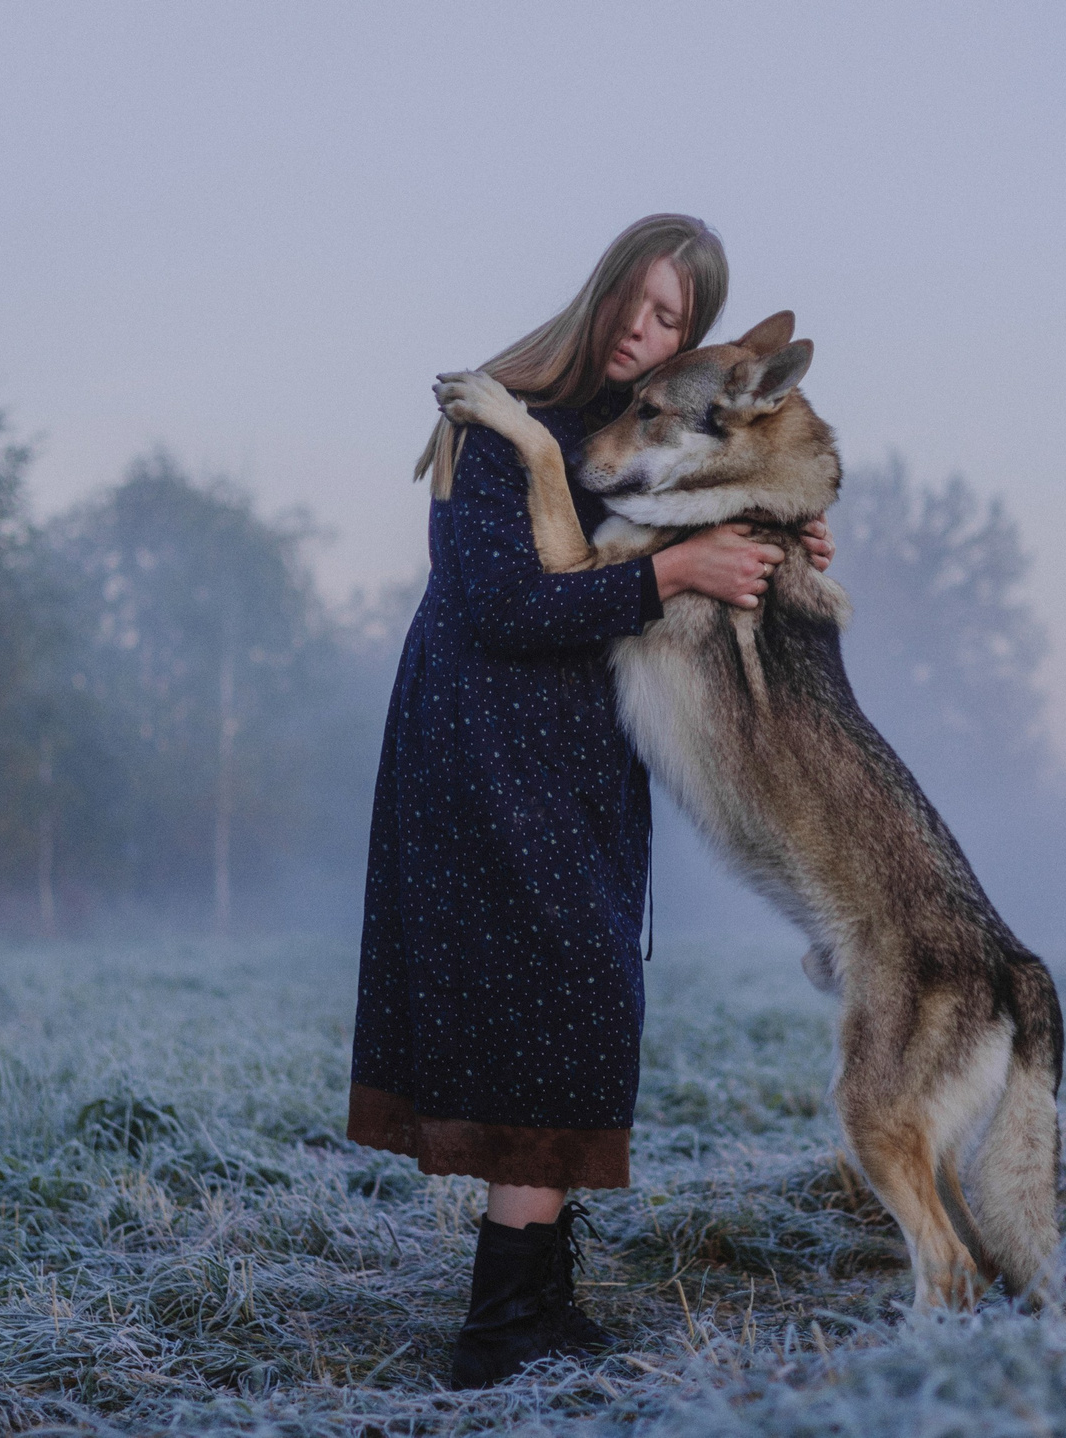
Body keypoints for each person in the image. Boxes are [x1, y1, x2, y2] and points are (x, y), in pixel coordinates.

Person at [346, 214, 831, 1387]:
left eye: (673, 318)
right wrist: (672, 570)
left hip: (579, 756)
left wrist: (781, 535)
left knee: (584, 1006)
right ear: (606, 286)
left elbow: (699, 533)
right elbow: (500, 604)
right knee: (554, 1004)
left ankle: (539, 1302)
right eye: (639, 301)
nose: (645, 330)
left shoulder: (629, 435)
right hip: (484, 751)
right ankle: (500, 1333)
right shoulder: (497, 413)